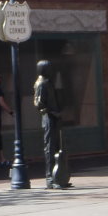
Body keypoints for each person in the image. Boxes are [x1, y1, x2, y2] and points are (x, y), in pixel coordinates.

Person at [33, 59, 71, 189]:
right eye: (49, 68)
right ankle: (50, 179)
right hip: (49, 118)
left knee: (57, 147)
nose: (52, 71)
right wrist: (52, 112)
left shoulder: (48, 82)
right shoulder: (41, 83)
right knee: (49, 148)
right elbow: (39, 104)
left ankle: (59, 176)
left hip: (54, 117)